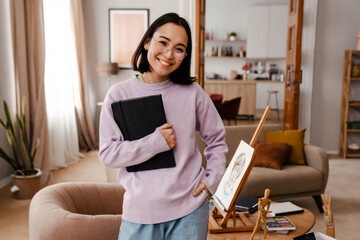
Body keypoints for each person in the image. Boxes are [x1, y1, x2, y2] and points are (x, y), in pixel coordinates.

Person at [98, 12, 228, 240]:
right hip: (140, 212)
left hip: (190, 210)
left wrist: (211, 181)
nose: (169, 54)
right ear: (148, 41)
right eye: (163, 42)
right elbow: (108, 155)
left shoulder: (193, 93)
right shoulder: (118, 95)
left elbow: (217, 140)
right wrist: (154, 143)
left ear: (184, 55)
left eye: (179, 48)